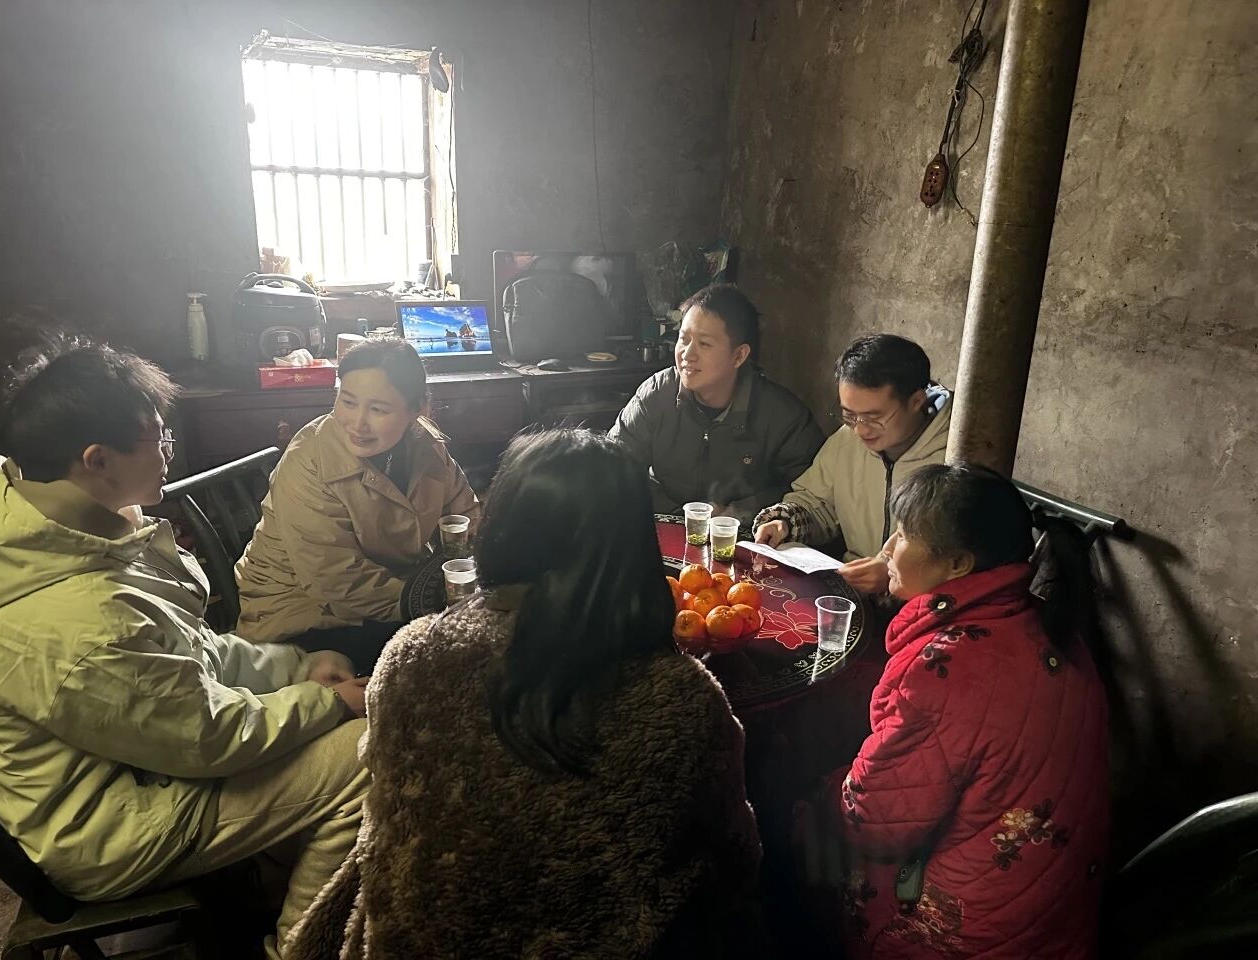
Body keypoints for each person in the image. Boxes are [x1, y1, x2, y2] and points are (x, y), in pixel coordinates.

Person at [287, 429, 762, 960]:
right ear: (633, 546)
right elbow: (735, 857)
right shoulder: (681, 699)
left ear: (501, 528)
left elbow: (389, 816)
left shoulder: (409, 657)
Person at [0, 341, 371, 960]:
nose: (170, 451)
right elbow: (207, 737)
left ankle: (266, 875)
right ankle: (296, 948)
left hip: (141, 760)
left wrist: (300, 668)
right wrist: (330, 704)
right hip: (110, 828)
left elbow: (190, 653)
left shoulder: (53, 524)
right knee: (367, 754)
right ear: (97, 460)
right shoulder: (78, 621)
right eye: (157, 438)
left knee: (324, 708)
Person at [825, 462, 1108, 958]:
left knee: (799, 818)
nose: (888, 549)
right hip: (1058, 910)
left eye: (903, 535)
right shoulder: (1043, 620)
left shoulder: (943, 666)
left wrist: (822, 792)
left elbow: (875, 822)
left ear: (957, 564)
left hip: (975, 930)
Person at [235, 336, 480, 671]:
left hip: (387, 590)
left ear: (418, 409)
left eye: (378, 409)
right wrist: (430, 600)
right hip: (302, 612)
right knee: (446, 656)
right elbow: (336, 582)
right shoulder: (309, 462)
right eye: (347, 402)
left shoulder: (425, 444)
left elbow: (464, 516)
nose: (357, 423)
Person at [609, 284, 824, 526]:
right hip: (665, 527)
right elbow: (613, 466)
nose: (687, 354)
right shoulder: (657, 394)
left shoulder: (782, 415)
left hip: (743, 537)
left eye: (704, 344)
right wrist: (678, 515)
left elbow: (811, 494)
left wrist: (740, 512)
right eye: (684, 339)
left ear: (739, 356)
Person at [753, 334, 950, 595]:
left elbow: (954, 557)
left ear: (916, 402)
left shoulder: (953, 455)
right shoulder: (847, 441)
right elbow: (816, 502)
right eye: (849, 415)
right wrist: (785, 522)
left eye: (873, 417)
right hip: (851, 593)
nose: (860, 429)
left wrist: (893, 572)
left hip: (921, 605)